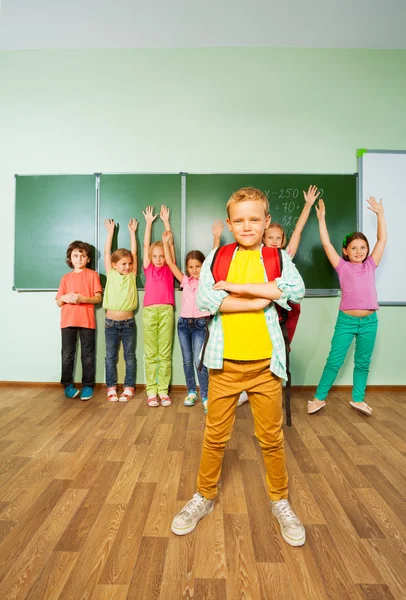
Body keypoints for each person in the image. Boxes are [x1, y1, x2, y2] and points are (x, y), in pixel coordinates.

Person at [171, 187, 306, 547]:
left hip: (266, 366)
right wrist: (261, 298)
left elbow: (294, 291)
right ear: (229, 223)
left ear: (266, 222)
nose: (247, 226)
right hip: (224, 365)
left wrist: (235, 289)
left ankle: (280, 501)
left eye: (255, 219)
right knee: (214, 436)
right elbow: (205, 299)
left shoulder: (277, 255)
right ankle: (203, 496)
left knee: (271, 439)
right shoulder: (219, 254)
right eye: (240, 220)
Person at [237, 184, 320, 407]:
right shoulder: (255, 256)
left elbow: (299, 230)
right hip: (259, 310)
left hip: (282, 312)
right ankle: (248, 390)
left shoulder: (285, 256)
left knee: (278, 350)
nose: (274, 241)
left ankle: (270, 388)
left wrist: (308, 206)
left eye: (278, 238)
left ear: (283, 241)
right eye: (270, 237)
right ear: (263, 237)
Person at [308, 196, 386, 416]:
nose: (359, 251)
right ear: (345, 251)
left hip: (370, 322)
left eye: (363, 247)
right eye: (354, 248)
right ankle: (318, 398)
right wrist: (321, 218)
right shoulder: (341, 266)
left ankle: (358, 399)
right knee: (334, 360)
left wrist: (380, 214)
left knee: (363, 362)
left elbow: (381, 241)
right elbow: (326, 243)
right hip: (346, 322)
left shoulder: (371, 264)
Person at [162, 220, 223, 414]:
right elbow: (170, 262)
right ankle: (191, 392)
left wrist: (216, 237)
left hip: (200, 324)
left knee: (199, 361)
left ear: (202, 267)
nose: (194, 270)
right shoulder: (184, 280)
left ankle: (205, 395)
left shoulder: (206, 279)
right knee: (187, 360)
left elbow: (213, 257)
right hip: (183, 324)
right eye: (191, 267)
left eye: (197, 266)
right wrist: (165, 242)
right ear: (187, 268)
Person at [56, 241, 102, 400]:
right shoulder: (65, 278)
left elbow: (98, 298)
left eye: (83, 256)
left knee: (88, 355)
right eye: (75, 256)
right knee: (67, 354)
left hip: (87, 322)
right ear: (70, 258)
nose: (79, 258)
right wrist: (64, 297)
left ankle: (88, 385)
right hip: (67, 322)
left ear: (88, 259)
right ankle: (67, 385)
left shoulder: (92, 275)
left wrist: (83, 298)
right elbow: (58, 302)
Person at [142, 205, 175, 407]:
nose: (159, 259)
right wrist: (148, 223)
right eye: (155, 256)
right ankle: (151, 391)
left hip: (166, 311)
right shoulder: (148, 268)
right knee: (150, 353)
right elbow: (146, 247)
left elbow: (169, 244)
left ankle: (163, 391)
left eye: (161, 256)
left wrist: (166, 222)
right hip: (149, 312)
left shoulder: (170, 268)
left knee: (164, 353)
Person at [103, 218, 138, 402]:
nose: (127, 266)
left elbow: (134, 252)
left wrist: (132, 232)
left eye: (129, 263)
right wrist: (111, 233)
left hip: (128, 323)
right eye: (123, 264)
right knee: (110, 357)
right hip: (110, 323)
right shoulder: (111, 273)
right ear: (115, 265)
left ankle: (129, 386)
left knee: (129, 356)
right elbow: (107, 252)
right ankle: (111, 387)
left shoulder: (132, 275)